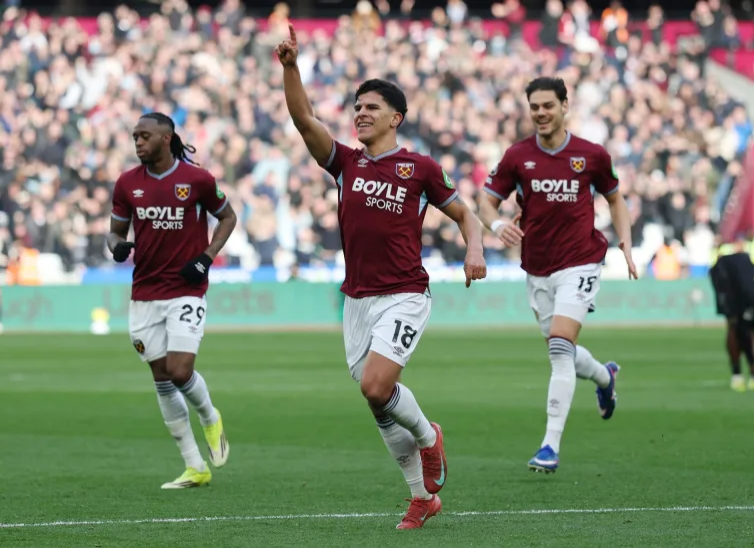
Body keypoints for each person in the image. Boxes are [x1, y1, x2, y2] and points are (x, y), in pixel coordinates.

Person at [276, 25, 487, 529]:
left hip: (405, 293)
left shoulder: (420, 168)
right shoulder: (345, 164)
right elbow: (304, 119)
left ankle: (430, 438)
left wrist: (474, 248)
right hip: (357, 300)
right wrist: (290, 68)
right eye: (356, 107)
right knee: (378, 403)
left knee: (376, 387)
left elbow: (465, 215)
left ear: (396, 117)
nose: (361, 113)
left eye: (372, 107)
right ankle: (421, 498)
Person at [478, 77, 637, 474]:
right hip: (537, 266)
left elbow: (615, 199)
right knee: (560, 347)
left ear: (565, 106)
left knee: (560, 348)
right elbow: (486, 201)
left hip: (581, 260)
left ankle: (550, 446)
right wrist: (497, 226)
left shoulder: (591, 155)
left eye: (548, 105)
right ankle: (605, 377)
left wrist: (626, 242)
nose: (541, 113)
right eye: (534, 106)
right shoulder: (518, 156)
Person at [108, 113, 237, 489]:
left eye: (144, 136)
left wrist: (207, 256)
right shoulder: (127, 183)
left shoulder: (197, 180)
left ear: (166, 139)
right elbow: (114, 233)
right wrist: (117, 247)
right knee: (162, 379)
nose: (137, 142)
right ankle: (195, 466)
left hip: (186, 288)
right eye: (134, 136)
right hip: (144, 293)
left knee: (180, 371)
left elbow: (227, 217)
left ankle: (210, 417)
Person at [709, 235, 754, 391]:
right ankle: (747, 374)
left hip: (725, 272)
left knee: (734, 326)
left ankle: (737, 375)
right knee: (745, 329)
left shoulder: (724, 243)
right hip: (741, 275)